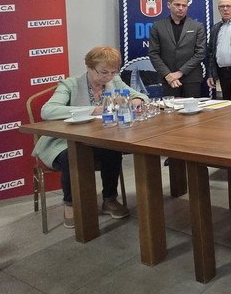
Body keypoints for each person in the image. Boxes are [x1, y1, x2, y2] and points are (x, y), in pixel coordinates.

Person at [32, 46, 149, 228]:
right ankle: (70, 204)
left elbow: (141, 96)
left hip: (99, 138)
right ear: (89, 67)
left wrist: (136, 100)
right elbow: (48, 111)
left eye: (113, 72)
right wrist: (94, 110)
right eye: (103, 72)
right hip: (65, 141)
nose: (108, 77)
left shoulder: (115, 81)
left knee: (113, 150)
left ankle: (109, 199)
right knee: (73, 155)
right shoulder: (70, 84)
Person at [148, 0, 206, 97]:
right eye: (177, 4)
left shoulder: (197, 26)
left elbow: (200, 53)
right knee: (170, 107)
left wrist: (179, 73)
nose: (180, 8)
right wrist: (167, 74)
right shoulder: (158, 26)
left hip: (191, 78)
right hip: (168, 79)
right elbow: (153, 53)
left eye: (184, 5)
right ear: (169, 5)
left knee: (192, 107)